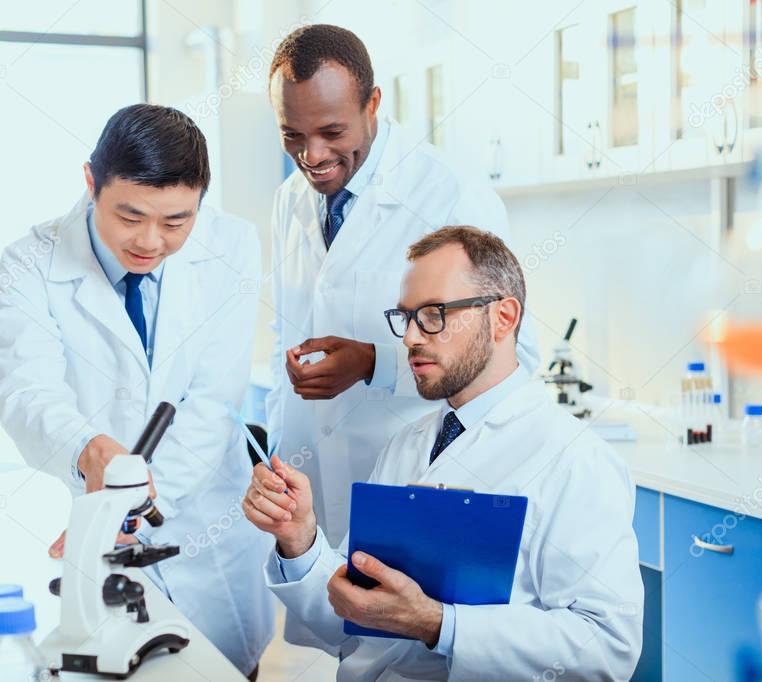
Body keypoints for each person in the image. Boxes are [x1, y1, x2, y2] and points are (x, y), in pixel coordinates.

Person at [243, 226, 643, 680]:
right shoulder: (407, 444)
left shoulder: (574, 459)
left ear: (504, 317)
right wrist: (299, 539)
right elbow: (353, 616)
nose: (411, 336)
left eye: (433, 314)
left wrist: (438, 624)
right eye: (406, 317)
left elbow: (607, 649)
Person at [0, 104, 275, 677]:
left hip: (207, 535)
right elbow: (28, 392)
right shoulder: (31, 263)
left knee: (219, 669)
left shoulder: (232, 247)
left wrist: (133, 507)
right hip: (99, 532)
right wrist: (86, 447)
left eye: (177, 222)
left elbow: (211, 403)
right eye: (130, 216)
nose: (151, 241)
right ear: (91, 182)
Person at [265, 24, 540, 549]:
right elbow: (288, 328)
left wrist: (374, 364)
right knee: (326, 616)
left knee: (405, 624)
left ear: (372, 104)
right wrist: (278, 447)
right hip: (310, 487)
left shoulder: (451, 192)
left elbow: (517, 357)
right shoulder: (289, 200)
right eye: (292, 135)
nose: (312, 155)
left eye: (332, 132)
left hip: (415, 482)